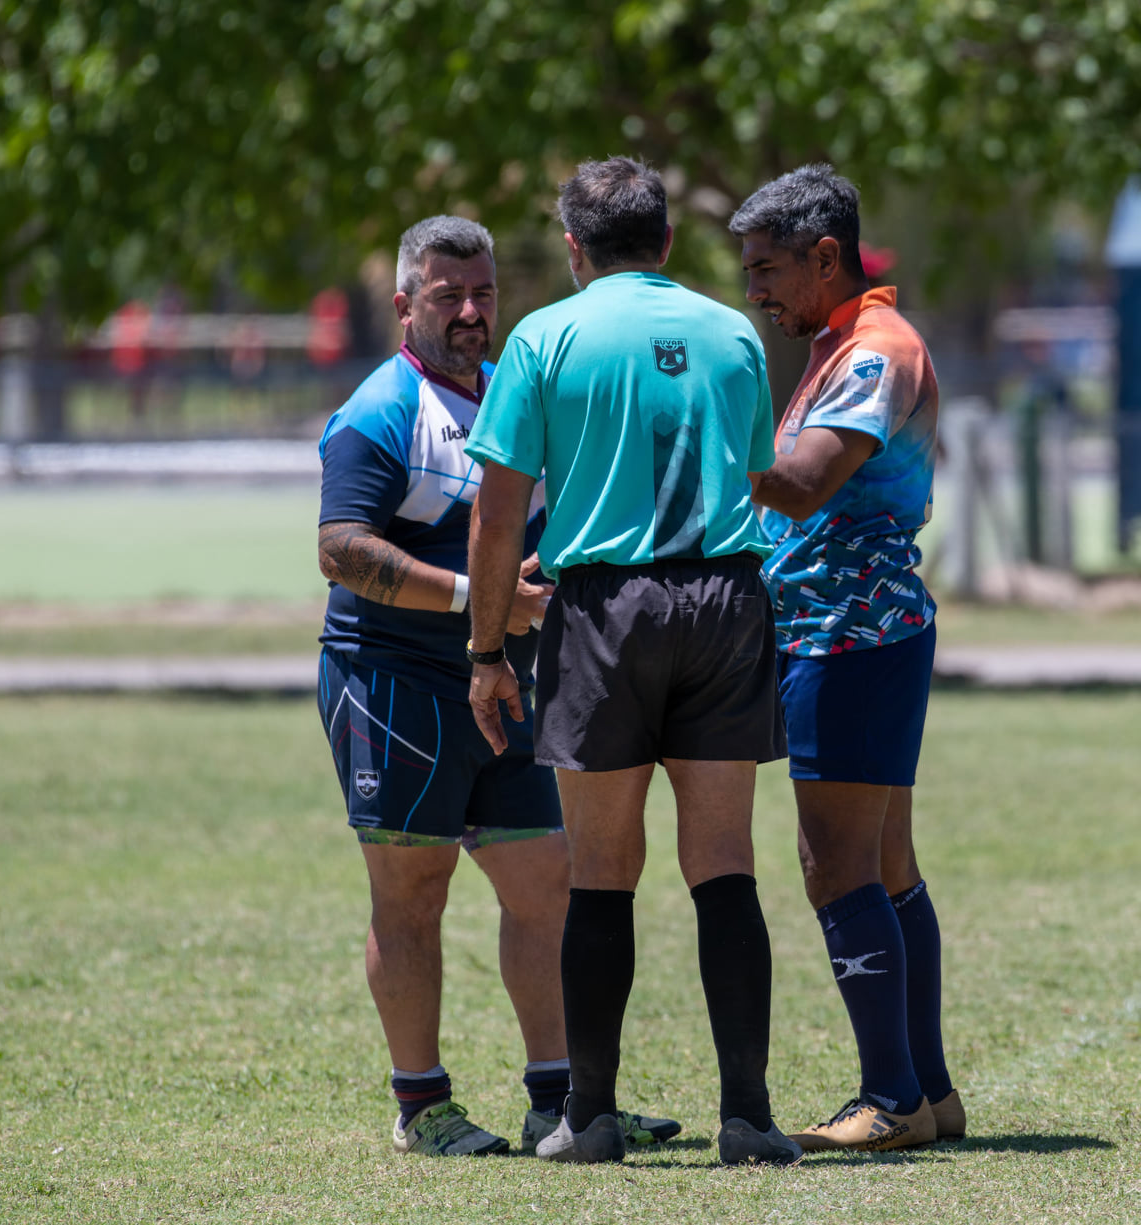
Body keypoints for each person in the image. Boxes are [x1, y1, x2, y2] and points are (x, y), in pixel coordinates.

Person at [315, 215, 678, 1158]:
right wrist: (478, 597)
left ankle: (557, 1097)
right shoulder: (380, 409)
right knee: (413, 892)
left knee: (545, 883)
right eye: (449, 295)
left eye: (483, 293)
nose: (473, 311)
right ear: (405, 304)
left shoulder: (510, 394)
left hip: (502, 683)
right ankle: (420, 1104)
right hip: (390, 683)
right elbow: (341, 550)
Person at [462, 157, 801, 1167]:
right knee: (724, 866)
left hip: (605, 611)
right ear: (663, 243)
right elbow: (750, 471)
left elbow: (496, 513)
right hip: (726, 598)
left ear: (573, 249)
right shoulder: (732, 330)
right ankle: (747, 1118)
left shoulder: (544, 336)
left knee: (602, 871)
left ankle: (591, 1117)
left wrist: (485, 649)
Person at [729, 165, 961, 1151]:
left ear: (827, 256)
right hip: (854, 633)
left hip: (851, 634)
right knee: (885, 864)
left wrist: (692, 420)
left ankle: (891, 1099)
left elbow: (798, 485)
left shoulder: (874, 349)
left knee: (834, 867)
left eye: (770, 269)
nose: (755, 292)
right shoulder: (839, 344)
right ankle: (927, 1094)